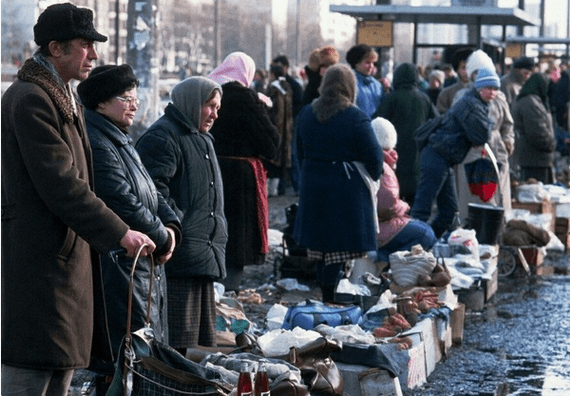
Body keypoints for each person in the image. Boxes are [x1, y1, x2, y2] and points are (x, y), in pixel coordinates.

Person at [1, 3, 155, 395]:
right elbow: (63, 185)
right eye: (85, 45)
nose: (95, 54)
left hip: (64, 265)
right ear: (56, 48)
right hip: (41, 267)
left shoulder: (62, 97)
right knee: (32, 373)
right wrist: (122, 232)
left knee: (59, 371)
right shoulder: (32, 98)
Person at [76, 64, 182, 362]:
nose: (135, 104)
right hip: (121, 265)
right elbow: (121, 200)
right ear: (100, 102)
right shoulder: (98, 143)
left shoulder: (119, 136)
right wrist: (162, 237)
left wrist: (171, 227)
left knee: (145, 354)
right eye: (125, 98)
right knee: (126, 358)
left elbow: (149, 191)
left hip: (140, 263)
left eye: (135, 97)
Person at [136, 77, 227, 354]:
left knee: (194, 346)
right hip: (180, 257)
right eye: (209, 106)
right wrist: (176, 227)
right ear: (191, 103)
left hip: (201, 255)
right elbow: (153, 193)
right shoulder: (163, 137)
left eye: (217, 107)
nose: (214, 114)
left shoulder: (202, 139)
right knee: (177, 346)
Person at [293, 64, 384, 303]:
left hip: (313, 184)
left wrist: (309, 173)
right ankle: (330, 298)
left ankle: (325, 295)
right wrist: (373, 177)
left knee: (322, 249)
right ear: (350, 87)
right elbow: (374, 157)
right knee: (337, 250)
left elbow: (299, 151)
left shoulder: (306, 113)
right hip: (345, 188)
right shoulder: (356, 117)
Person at [207, 52, 280, 291]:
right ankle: (229, 290)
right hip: (240, 176)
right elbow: (270, 143)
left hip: (210, 168)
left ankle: (214, 288)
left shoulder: (208, 91)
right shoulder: (245, 98)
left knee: (215, 229)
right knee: (238, 237)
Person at [410, 68, 497, 238]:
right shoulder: (471, 105)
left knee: (449, 212)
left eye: (495, 89)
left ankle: (428, 242)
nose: (492, 92)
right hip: (437, 156)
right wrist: (490, 124)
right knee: (422, 209)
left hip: (444, 159)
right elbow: (481, 136)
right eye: (488, 88)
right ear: (479, 88)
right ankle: (412, 249)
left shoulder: (478, 104)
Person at [453, 50, 515, 220]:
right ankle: (471, 231)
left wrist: (507, 143)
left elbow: (508, 124)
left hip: (497, 152)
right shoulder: (461, 97)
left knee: (497, 198)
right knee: (471, 199)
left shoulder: (499, 97)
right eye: (475, 72)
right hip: (470, 154)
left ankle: (497, 233)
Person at [371, 117, 436, 263]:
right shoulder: (381, 165)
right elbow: (388, 206)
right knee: (426, 234)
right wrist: (404, 206)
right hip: (376, 225)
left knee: (422, 228)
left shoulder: (378, 161)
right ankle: (384, 259)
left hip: (375, 222)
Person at [374, 62, 438, 206]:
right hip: (418, 152)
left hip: (396, 151)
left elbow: (378, 120)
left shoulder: (393, 98)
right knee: (414, 199)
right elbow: (436, 120)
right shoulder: (424, 98)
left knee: (397, 191)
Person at [512, 73, 557, 184]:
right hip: (535, 160)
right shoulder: (531, 103)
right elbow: (537, 133)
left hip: (532, 158)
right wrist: (551, 144)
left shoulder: (527, 99)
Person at [265, 63, 294, 197]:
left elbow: (273, 111)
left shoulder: (274, 88)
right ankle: (275, 189)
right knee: (280, 161)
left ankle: (270, 190)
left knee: (271, 159)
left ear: (273, 74)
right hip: (286, 130)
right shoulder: (287, 87)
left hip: (275, 128)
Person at [346, 43, 385, 117]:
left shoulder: (377, 85)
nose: (371, 66)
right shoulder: (349, 83)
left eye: (373, 63)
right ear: (356, 63)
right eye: (367, 62)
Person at [436, 47, 474, 114]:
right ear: (457, 69)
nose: (467, 71)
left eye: (471, 67)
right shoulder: (446, 94)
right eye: (463, 68)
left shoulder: (485, 91)